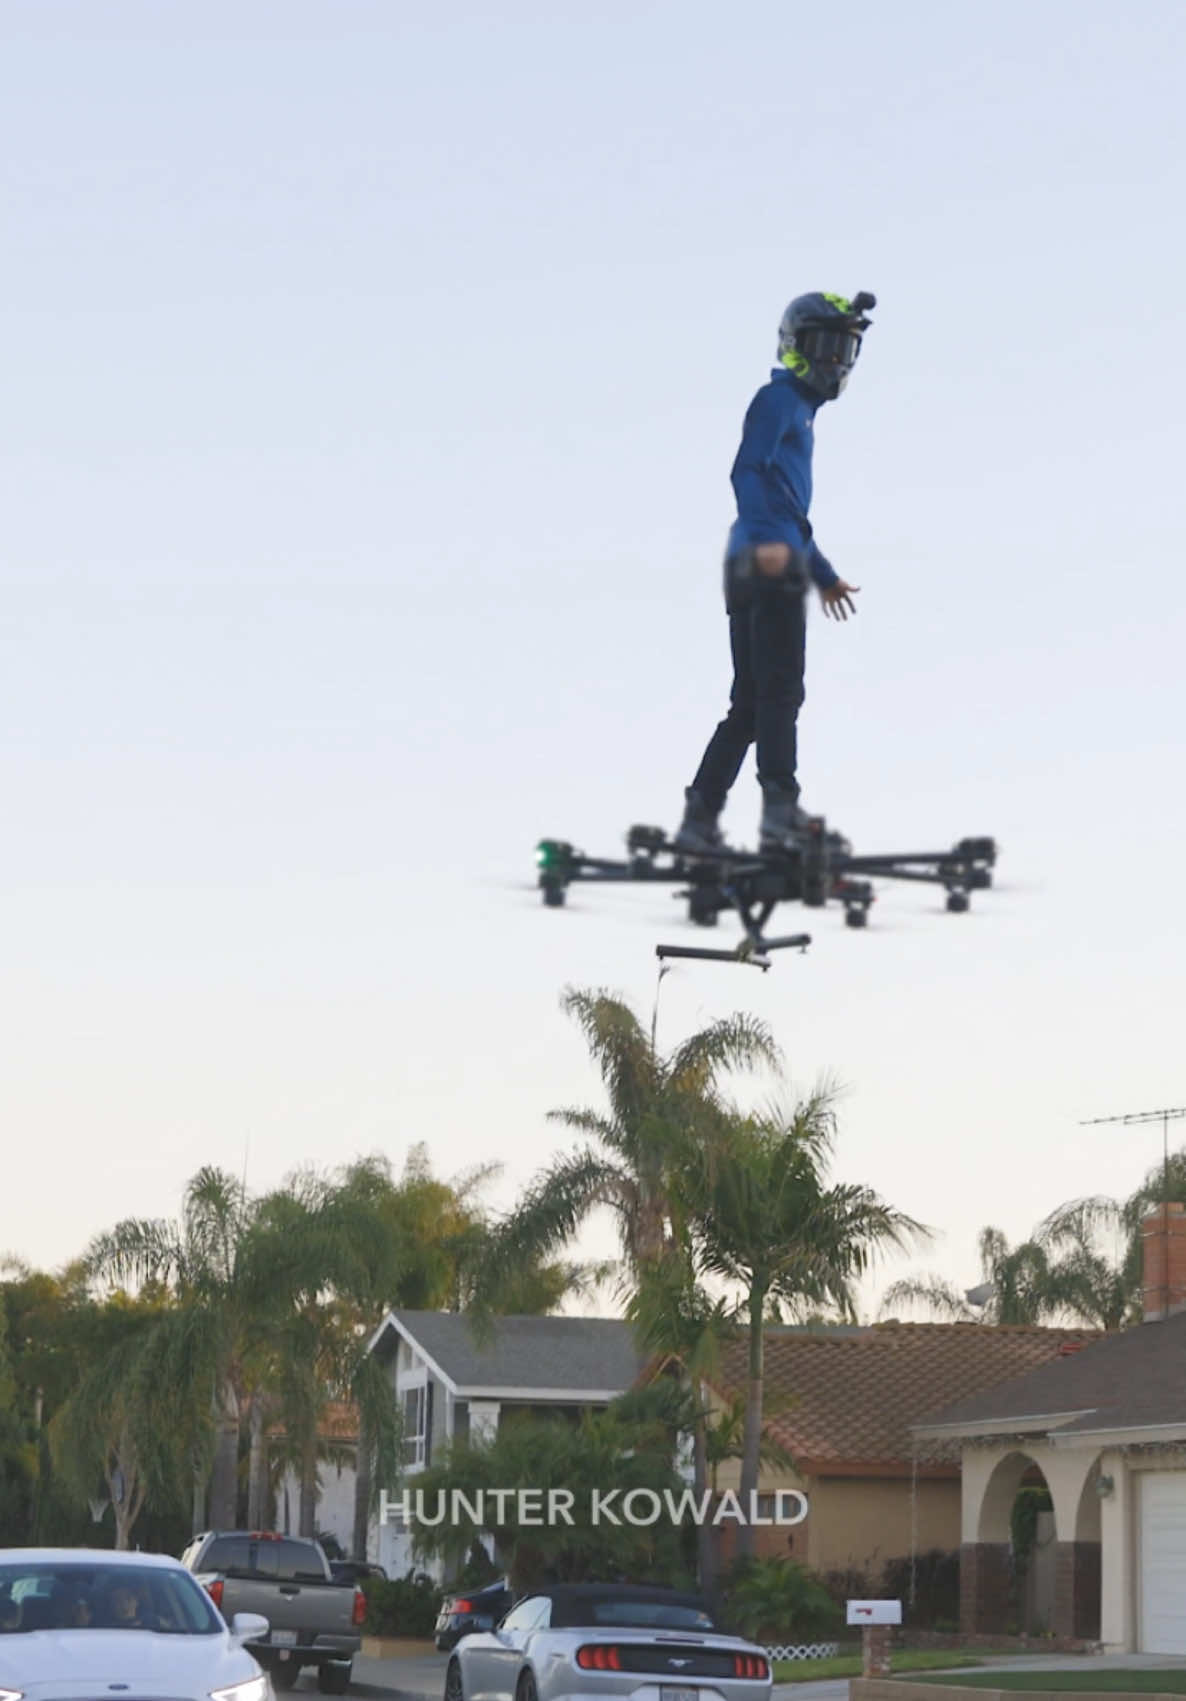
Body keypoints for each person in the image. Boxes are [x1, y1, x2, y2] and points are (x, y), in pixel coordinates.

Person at [673, 290, 875, 854]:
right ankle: (780, 816)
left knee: (752, 702)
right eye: (825, 347)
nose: (835, 361)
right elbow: (747, 472)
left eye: (844, 349)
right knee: (782, 693)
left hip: (757, 558)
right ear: (795, 346)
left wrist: (823, 573)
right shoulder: (779, 400)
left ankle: (700, 819)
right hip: (766, 559)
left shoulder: (799, 412)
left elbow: (790, 513)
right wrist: (773, 548)